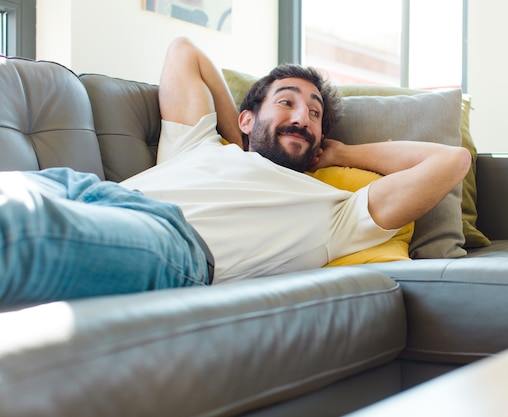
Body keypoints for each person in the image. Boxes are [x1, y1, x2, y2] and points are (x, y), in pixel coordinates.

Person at [0, 37, 470, 306]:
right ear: (247, 118)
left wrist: (341, 153)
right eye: (287, 102)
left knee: (24, 231)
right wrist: (241, 138)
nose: (302, 117)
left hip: (174, 244)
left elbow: (452, 161)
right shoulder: (196, 144)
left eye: (315, 112)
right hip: (95, 191)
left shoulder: (337, 214)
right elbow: (184, 50)